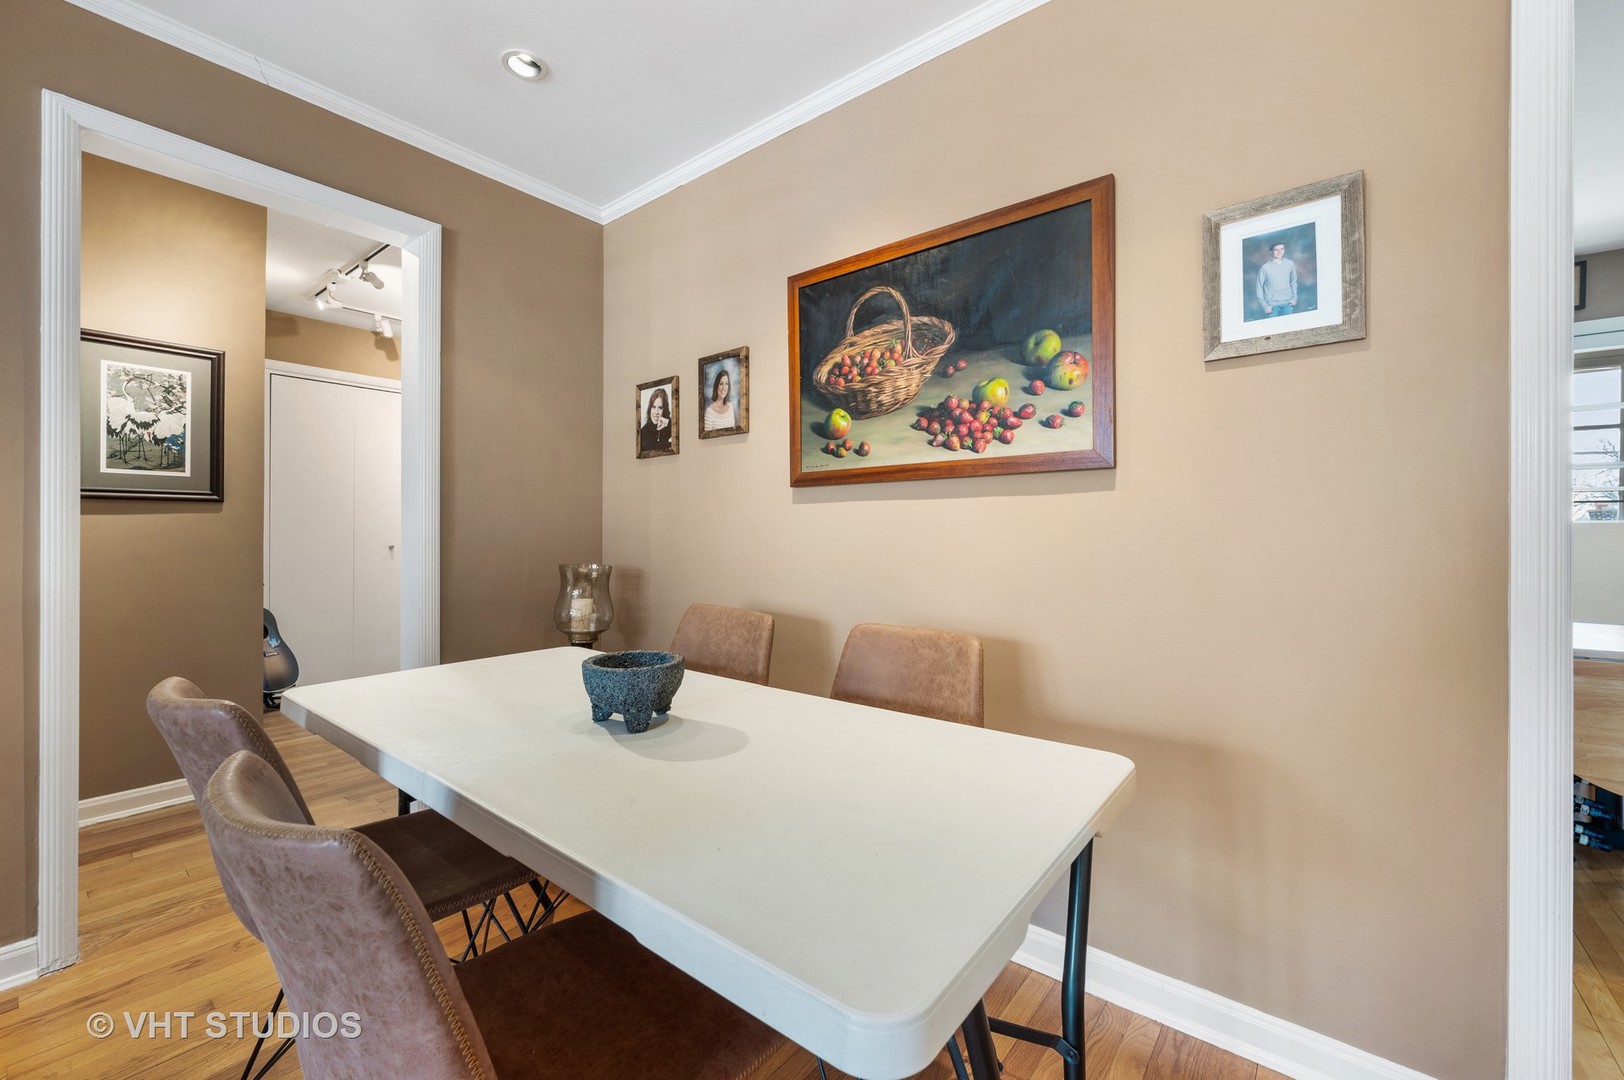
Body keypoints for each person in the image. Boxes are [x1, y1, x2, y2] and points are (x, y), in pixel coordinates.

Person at [1255, 241, 1298, 318]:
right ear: (1271, 252)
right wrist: (1264, 306)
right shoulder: (1265, 268)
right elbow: (1259, 287)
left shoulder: (1290, 263)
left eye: (1282, 249)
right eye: (1276, 250)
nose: (1279, 252)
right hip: (1272, 307)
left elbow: (1293, 281)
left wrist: (1294, 298)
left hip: (1288, 304)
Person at [639, 387, 673, 452]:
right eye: (654, 407)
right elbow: (656, 449)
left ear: (664, 410)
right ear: (650, 409)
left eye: (660, 408)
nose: (656, 412)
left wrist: (667, 423)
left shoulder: (670, 425)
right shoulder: (643, 432)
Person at [703, 368, 735, 432]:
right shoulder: (709, 412)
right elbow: (706, 439)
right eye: (721, 384)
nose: (724, 387)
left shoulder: (730, 406)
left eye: (726, 383)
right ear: (716, 386)